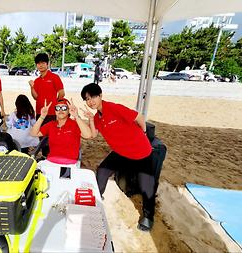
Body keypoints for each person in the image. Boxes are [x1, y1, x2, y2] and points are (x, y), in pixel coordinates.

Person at [80, 82, 155, 231]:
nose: (91, 101)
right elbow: (93, 135)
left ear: (100, 96)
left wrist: (144, 133)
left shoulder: (113, 108)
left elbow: (139, 116)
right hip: (121, 152)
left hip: (141, 151)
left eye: (93, 96)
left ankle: (148, 217)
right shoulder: (97, 117)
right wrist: (89, 119)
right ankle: (97, 197)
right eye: (87, 99)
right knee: (102, 170)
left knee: (146, 187)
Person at [30, 98, 92, 165]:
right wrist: (42, 116)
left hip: (70, 163)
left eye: (64, 108)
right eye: (58, 108)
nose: (60, 110)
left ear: (69, 111)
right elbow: (33, 133)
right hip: (50, 161)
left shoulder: (75, 124)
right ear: (55, 111)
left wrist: (76, 116)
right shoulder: (51, 124)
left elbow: (88, 135)